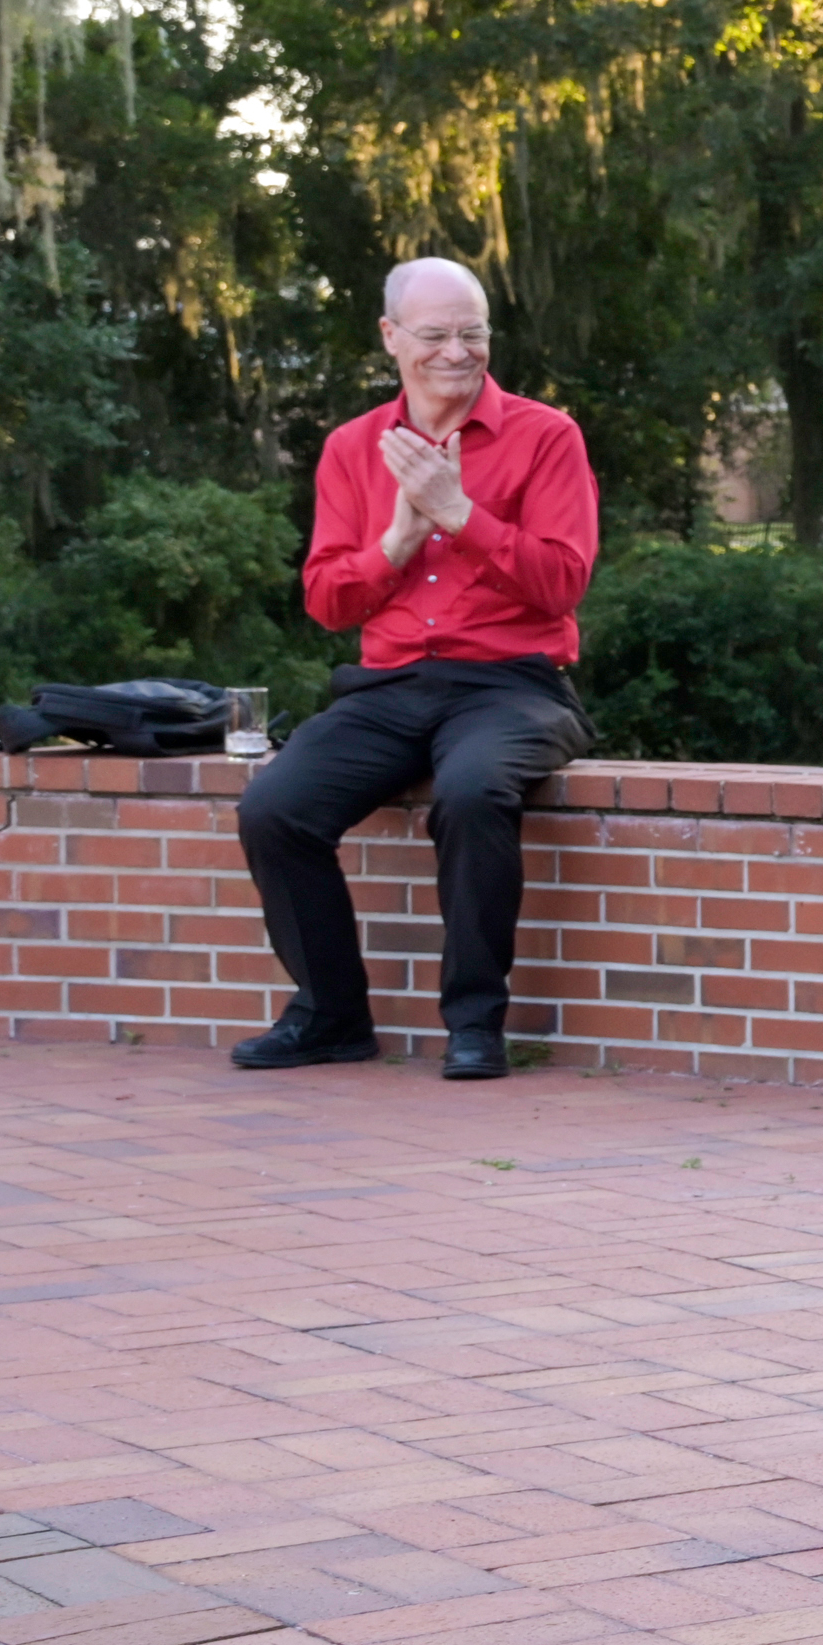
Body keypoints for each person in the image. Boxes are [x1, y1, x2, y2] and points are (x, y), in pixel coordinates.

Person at [235, 257, 599, 1083]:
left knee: (471, 794)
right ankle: (330, 1016)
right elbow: (328, 602)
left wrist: (460, 514)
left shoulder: (547, 437)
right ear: (392, 338)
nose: (456, 351)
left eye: (472, 332)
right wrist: (399, 540)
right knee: (274, 807)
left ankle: (475, 1024)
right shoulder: (352, 448)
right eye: (434, 334)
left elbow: (564, 582)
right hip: (390, 687)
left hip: (513, 684)